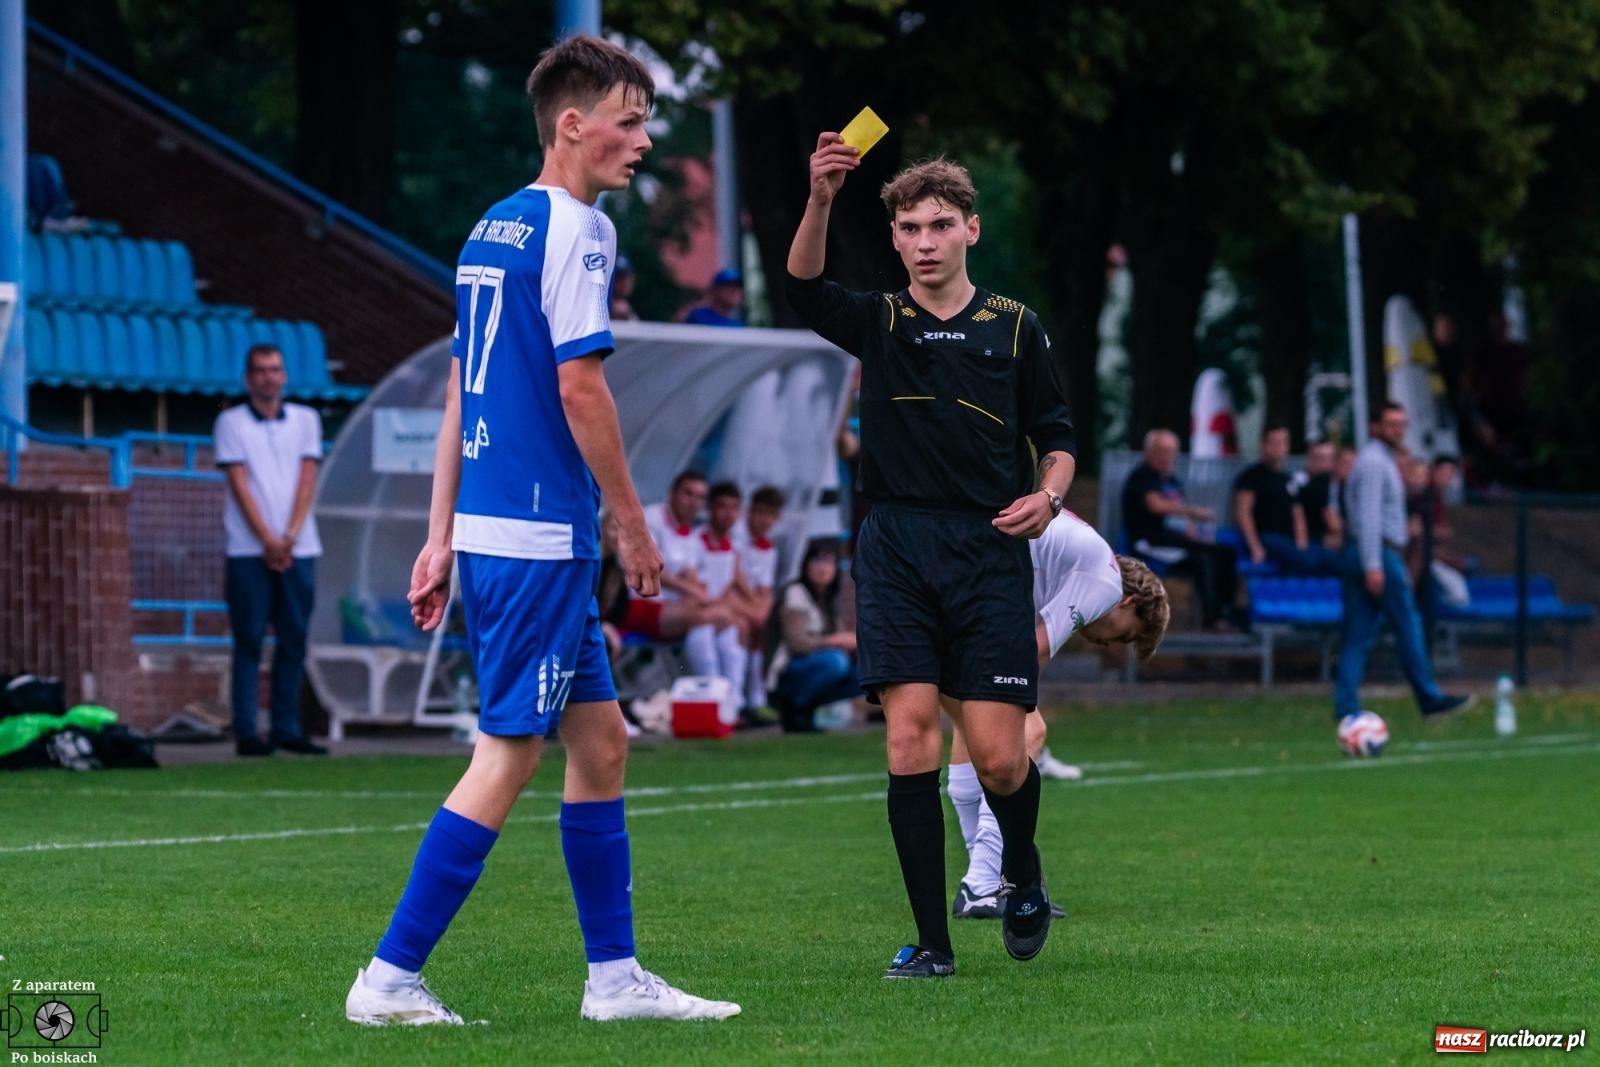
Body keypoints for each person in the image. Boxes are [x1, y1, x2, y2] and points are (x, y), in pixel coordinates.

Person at [344, 35, 738, 1027]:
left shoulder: (495, 225)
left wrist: (438, 534)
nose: (643, 140)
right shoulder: (578, 230)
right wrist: (633, 523)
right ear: (573, 124)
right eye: (631, 119)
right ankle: (388, 976)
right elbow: (578, 384)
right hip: (533, 541)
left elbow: (457, 394)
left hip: (502, 533)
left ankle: (613, 979)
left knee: (601, 742)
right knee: (506, 753)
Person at [786, 138, 1077, 979]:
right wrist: (819, 198)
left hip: (988, 550)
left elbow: (1056, 439)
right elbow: (805, 288)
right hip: (897, 547)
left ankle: (1021, 870)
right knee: (908, 737)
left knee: (997, 756)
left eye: (939, 224)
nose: (923, 240)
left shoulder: (1016, 326)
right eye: (909, 226)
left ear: (970, 231)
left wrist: (1049, 497)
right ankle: (932, 941)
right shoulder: (879, 320)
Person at [947, 511, 1170, 918]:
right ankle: (981, 883)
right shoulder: (1105, 582)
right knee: (1027, 733)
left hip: (946, 567)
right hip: (967, 569)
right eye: (1124, 635)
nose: (1109, 645)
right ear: (1128, 601)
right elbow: (1035, 650)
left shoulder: (1070, 567)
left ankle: (986, 882)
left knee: (968, 724)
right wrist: (1022, 712)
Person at [214, 343, 328, 758]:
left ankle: (286, 727)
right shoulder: (230, 423)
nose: (268, 377)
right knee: (248, 639)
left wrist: (290, 536)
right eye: (260, 370)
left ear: (284, 376)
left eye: (275, 369)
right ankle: (247, 730)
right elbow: (239, 484)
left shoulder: (306, 420)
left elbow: (307, 478)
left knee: (293, 639)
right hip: (248, 550)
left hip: (300, 547)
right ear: (248, 378)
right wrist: (267, 539)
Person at [1334, 402, 1474, 726]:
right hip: (1378, 552)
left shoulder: (1384, 461)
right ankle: (1429, 697)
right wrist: (1373, 564)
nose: (1398, 430)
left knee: (1357, 633)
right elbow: (1369, 517)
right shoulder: (1373, 463)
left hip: (1372, 552)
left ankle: (1345, 706)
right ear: (1375, 427)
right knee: (1408, 624)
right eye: (1391, 424)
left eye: (1402, 424)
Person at [1122, 428, 1243, 629]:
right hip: (1149, 542)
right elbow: (1156, 505)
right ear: (1149, 451)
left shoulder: (1171, 480)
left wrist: (1193, 533)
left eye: (1172, 451)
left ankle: (1227, 611)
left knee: (1224, 552)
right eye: (1163, 450)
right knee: (1202, 560)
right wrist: (1194, 512)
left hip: (1173, 538)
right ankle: (1212, 619)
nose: (1168, 456)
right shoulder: (1142, 477)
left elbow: (1176, 517)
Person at [770, 539, 861, 733]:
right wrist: (835, 640)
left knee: (867, 670)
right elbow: (797, 643)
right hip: (789, 667)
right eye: (817, 561)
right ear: (805, 565)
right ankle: (795, 706)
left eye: (828, 562)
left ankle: (810, 709)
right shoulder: (796, 593)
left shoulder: (830, 600)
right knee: (836, 662)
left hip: (821, 661)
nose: (823, 568)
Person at [1234, 424, 1339, 575]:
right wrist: (1255, 546)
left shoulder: (1288, 479)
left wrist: (1302, 543)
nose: (1279, 447)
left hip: (1290, 540)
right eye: (1274, 442)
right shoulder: (1251, 477)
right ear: (1263, 445)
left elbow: (1298, 514)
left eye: (1283, 442)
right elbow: (1243, 513)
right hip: (1268, 537)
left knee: (1330, 560)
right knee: (1307, 561)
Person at [682, 482, 749, 706]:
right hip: (696, 616)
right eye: (722, 507)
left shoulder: (734, 547)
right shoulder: (694, 541)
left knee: (733, 647)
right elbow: (693, 588)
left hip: (720, 615)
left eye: (734, 508)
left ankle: (735, 706)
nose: (728, 514)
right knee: (704, 640)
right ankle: (712, 704)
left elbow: (731, 587)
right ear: (710, 509)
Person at [732, 485, 785, 716]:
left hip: (749, 605)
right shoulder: (737, 538)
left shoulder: (770, 549)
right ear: (750, 511)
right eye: (760, 512)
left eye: (770, 515)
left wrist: (762, 610)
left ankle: (757, 695)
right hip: (731, 600)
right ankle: (741, 698)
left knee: (765, 627)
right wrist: (757, 608)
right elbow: (735, 577)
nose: (764, 520)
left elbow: (766, 588)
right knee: (749, 626)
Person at [645, 469, 710, 605]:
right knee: (714, 615)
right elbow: (649, 569)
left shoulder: (691, 534)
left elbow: (689, 572)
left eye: (700, 497)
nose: (694, 503)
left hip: (670, 602)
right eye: (688, 494)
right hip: (642, 600)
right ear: (672, 492)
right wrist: (691, 589)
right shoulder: (652, 518)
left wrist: (696, 585)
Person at [1292, 438, 1341, 553]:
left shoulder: (1338, 482)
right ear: (1309, 459)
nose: (1325, 464)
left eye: (1329, 458)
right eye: (1319, 458)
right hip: (1310, 540)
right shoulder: (1298, 483)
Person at [609, 254, 638, 321]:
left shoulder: (629, 308)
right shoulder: (598, 306)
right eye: (619, 277)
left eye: (626, 277)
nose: (625, 282)